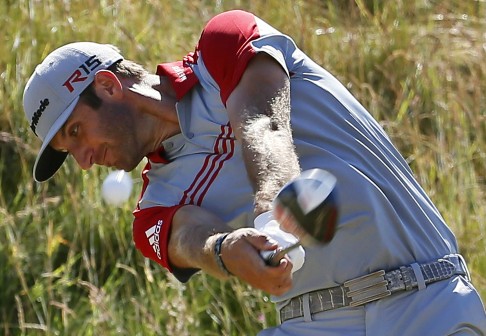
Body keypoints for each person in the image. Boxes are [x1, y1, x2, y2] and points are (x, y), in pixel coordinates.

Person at [22, 9, 485, 336]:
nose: (83, 159)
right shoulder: (151, 212)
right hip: (313, 324)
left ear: (107, 84)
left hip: (427, 298)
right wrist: (224, 249)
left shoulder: (222, 47)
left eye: (77, 132)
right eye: (70, 152)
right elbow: (191, 239)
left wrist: (274, 205)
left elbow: (264, 123)